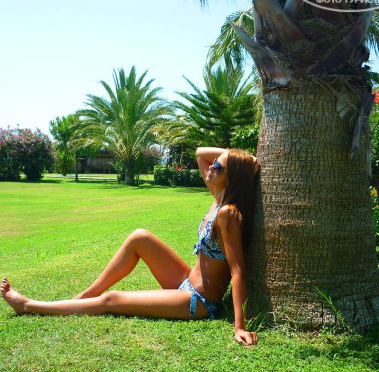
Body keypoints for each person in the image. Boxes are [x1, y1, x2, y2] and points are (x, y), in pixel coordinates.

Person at [1, 147, 259, 346]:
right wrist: (243, 159)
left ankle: (29, 305)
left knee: (113, 300)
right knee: (140, 237)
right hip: (185, 282)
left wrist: (240, 326)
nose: (210, 167)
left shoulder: (228, 213)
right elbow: (201, 153)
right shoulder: (217, 195)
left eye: (219, 167)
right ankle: (84, 297)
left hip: (199, 301)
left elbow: (237, 270)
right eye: (214, 164)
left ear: (232, 178)